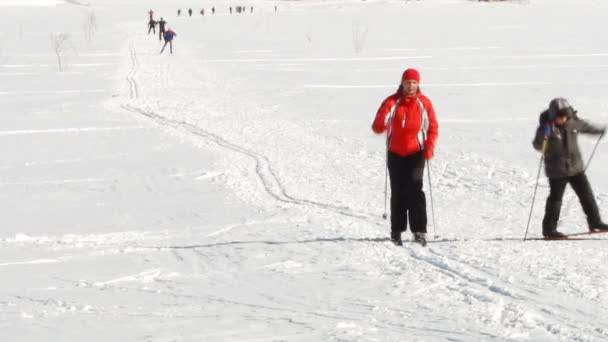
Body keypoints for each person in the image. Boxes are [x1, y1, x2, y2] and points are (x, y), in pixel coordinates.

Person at [371, 68, 439, 246]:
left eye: (414, 83)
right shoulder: (393, 102)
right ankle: (397, 230)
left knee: (416, 189)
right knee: (398, 191)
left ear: (418, 84)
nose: (411, 86)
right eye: (408, 82)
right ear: (402, 83)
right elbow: (378, 126)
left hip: (417, 153)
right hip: (396, 154)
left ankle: (419, 230)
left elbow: (432, 127)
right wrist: (383, 118)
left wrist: (429, 148)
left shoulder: (424, 103)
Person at [532, 98, 608, 238]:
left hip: (576, 168)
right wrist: (544, 135)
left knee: (587, 196)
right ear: (553, 116)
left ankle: (595, 223)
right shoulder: (546, 128)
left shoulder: (572, 122)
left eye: (566, 116)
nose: (564, 119)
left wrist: (598, 131)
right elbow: (537, 146)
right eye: (560, 117)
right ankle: (549, 230)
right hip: (556, 171)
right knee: (555, 199)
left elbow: (585, 127)